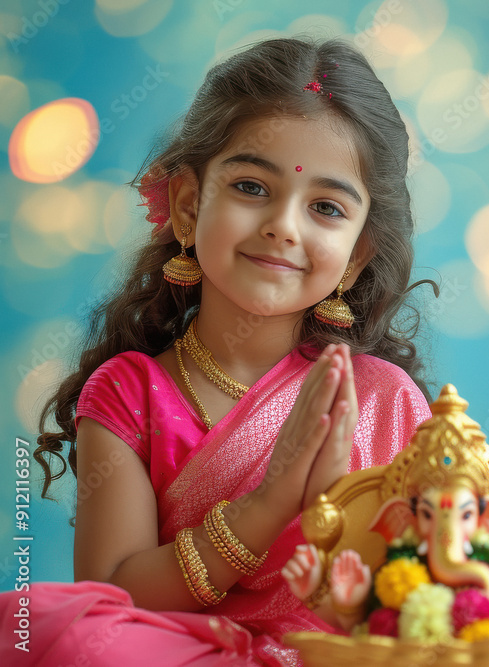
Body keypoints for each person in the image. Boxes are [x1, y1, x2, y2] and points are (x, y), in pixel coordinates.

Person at [0, 36, 438, 666]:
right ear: (186, 204)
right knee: (48, 628)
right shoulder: (130, 393)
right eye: (252, 188)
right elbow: (109, 602)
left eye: (324, 207)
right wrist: (272, 501)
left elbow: (418, 598)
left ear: (358, 253)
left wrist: (335, 517)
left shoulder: (382, 400)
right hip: (179, 657)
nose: (285, 225)